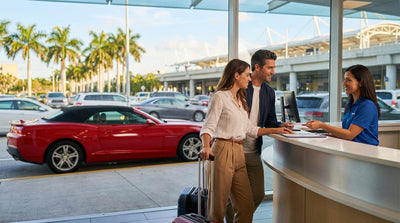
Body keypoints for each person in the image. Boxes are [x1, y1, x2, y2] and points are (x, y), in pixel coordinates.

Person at [199, 59, 293, 223]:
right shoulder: (220, 97)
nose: (250, 79)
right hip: (222, 151)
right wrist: (206, 147)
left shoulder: (241, 101)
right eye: (247, 75)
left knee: (246, 205)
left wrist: (276, 129)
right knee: (218, 209)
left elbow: (250, 129)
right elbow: (207, 127)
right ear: (236, 75)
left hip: (239, 153)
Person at [225, 50, 293, 223]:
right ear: (257, 67)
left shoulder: (269, 92)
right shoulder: (239, 88)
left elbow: (270, 120)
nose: (273, 72)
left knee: (257, 194)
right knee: (231, 198)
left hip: (253, 150)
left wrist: (280, 126)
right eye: (270, 67)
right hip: (234, 149)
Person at [303, 64, 380, 145]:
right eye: (344, 80)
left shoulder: (367, 105)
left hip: (366, 152)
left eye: (349, 80)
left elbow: (350, 134)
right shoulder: (351, 104)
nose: (344, 84)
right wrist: (318, 136)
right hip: (351, 150)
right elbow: (345, 134)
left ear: (361, 83)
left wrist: (322, 125)